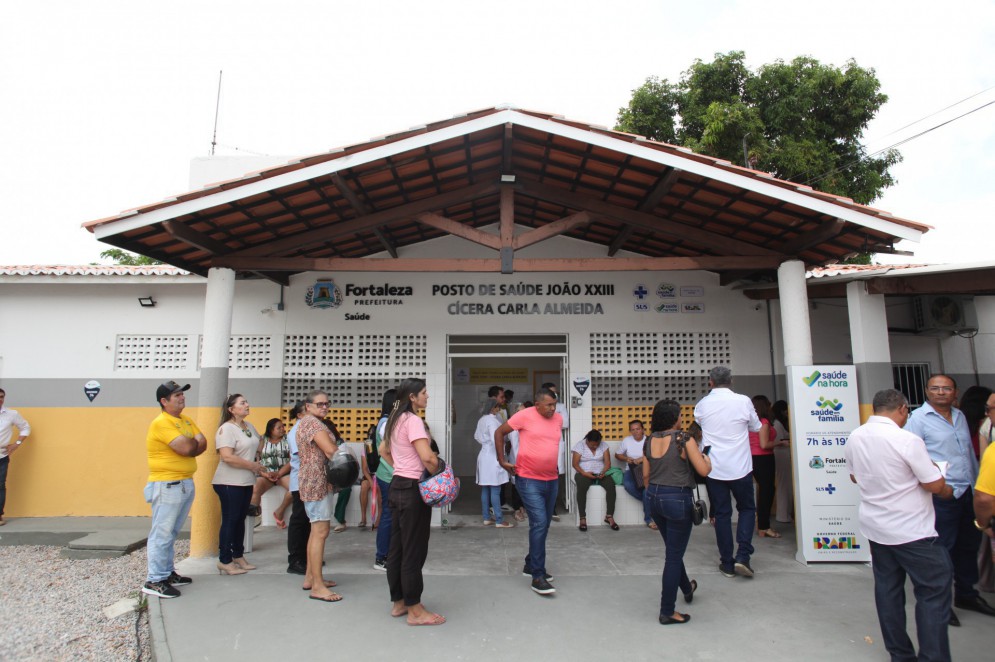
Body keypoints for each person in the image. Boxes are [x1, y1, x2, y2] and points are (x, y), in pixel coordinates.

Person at [846, 389, 955, 661]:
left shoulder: (855, 437)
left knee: (888, 591)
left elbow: (854, 478)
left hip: (877, 528)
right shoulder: (907, 440)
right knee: (932, 593)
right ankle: (933, 657)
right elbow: (934, 484)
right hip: (912, 531)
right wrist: (943, 485)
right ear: (903, 409)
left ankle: (900, 654)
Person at [905, 374, 995, 624]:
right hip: (942, 494)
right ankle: (941, 602)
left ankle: (967, 594)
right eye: (935, 388)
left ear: (956, 392)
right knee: (942, 549)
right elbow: (911, 457)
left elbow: (967, 454)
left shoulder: (960, 417)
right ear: (926, 391)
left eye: (946, 388)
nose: (941, 392)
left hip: (968, 490)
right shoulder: (918, 420)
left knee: (969, 546)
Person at [644, 399, 712, 625]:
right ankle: (667, 611)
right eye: (680, 415)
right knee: (673, 556)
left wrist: (656, 493)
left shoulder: (649, 440)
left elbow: (645, 476)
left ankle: (686, 587)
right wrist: (707, 461)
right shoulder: (684, 439)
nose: (682, 418)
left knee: (673, 550)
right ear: (674, 418)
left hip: (654, 497)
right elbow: (702, 470)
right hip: (677, 499)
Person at [384, 378, 445, 625]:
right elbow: (428, 458)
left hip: (397, 485)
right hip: (413, 491)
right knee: (414, 550)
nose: (427, 396)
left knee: (397, 549)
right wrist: (442, 472)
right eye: (423, 392)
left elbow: (383, 452)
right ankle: (415, 611)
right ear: (412, 397)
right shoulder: (413, 421)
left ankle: (399, 602)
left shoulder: (394, 420)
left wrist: (401, 467)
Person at [693, 366, 761, 578]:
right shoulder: (743, 401)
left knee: (722, 514)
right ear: (731, 381)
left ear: (710, 382)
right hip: (741, 467)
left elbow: (699, 424)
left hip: (714, 468)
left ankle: (727, 562)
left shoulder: (702, 404)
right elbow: (756, 427)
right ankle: (743, 556)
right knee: (747, 509)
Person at [142, 381, 207, 599]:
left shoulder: (185, 420)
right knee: (162, 532)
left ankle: (168, 573)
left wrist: (191, 445)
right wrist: (191, 444)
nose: (182, 398)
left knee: (171, 532)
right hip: (167, 484)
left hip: (184, 482)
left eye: (182, 394)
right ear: (164, 401)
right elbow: (190, 446)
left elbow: (203, 443)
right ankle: (155, 579)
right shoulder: (161, 423)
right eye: (177, 395)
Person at [495, 388, 563, 595]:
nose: (553, 409)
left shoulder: (558, 419)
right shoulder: (524, 415)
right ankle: (537, 576)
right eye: (549, 404)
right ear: (537, 404)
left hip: (551, 479)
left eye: (554, 404)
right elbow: (500, 433)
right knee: (540, 522)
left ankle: (529, 563)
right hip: (528, 479)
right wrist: (502, 460)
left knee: (545, 524)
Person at [211, 394, 265, 575]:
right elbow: (227, 457)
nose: (247, 405)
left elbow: (259, 441)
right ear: (231, 409)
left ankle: (238, 555)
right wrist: (253, 465)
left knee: (240, 519)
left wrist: (257, 457)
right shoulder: (226, 429)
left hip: (245, 481)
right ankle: (224, 560)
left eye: (247, 402)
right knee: (230, 519)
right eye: (242, 403)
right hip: (229, 482)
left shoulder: (248, 426)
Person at [296, 390, 341, 601]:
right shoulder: (313, 424)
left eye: (327, 404)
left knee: (316, 531)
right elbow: (331, 450)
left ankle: (311, 578)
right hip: (317, 481)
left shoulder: (308, 423)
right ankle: (318, 587)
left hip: (314, 479)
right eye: (320, 404)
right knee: (320, 531)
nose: (325, 407)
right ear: (308, 406)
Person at [475, 398, 513, 527]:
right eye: (497, 407)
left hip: (484, 455)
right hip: (493, 457)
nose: (499, 409)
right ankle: (499, 520)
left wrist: (486, 444)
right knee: (495, 489)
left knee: (485, 489)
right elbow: (496, 438)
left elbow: (477, 437)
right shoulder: (492, 420)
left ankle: (486, 517)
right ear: (492, 408)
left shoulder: (482, 420)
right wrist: (501, 457)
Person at [249, 418, 292, 529]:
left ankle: (279, 511)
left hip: (284, 473)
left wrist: (279, 473)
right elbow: (256, 460)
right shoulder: (262, 440)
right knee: (255, 488)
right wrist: (265, 474)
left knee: (295, 489)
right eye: (279, 427)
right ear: (271, 430)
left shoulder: (289, 439)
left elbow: (294, 460)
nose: (283, 429)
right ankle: (254, 518)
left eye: (283, 426)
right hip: (265, 474)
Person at [572, 429, 618, 531]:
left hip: (600, 473)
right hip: (583, 473)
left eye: (597, 444)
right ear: (587, 440)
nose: (595, 447)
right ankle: (582, 518)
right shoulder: (580, 445)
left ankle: (609, 516)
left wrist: (603, 472)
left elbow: (607, 463)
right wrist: (585, 473)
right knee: (582, 487)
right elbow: (575, 464)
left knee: (611, 485)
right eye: (592, 445)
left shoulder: (604, 445)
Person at [373, 389, 398, 571]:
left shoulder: (388, 421)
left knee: (391, 516)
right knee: (388, 516)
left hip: (389, 474)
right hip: (389, 475)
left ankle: (389, 553)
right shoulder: (386, 423)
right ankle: (381, 557)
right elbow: (386, 450)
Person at [285, 402, 311, 575]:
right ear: (300, 415)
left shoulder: (308, 429)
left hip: (308, 481)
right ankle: (295, 560)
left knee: (308, 522)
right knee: (299, 521)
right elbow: (302, 456)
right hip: (300, 481)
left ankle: (307, 556)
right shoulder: (296, 432)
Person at [750, 395, 779, 539]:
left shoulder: (751, 422)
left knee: (764, 490)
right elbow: (764, 444)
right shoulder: (764, 422)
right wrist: (780, 443)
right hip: (763, 457)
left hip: (752, 457)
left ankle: (761, 523)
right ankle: (764, 526)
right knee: (767, 491)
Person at [0, 387, 31, 527]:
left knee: (0, 485)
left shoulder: (11, 414)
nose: (0, 399)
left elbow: (25, 427)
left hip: (1, 456)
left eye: (1, 396)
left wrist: (17, 443)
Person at [616, 419, 655, 529]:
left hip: (648, 469)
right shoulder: (627, 440)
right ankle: (650, 502)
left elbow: (656, 456)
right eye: (632, 430)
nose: (635, 432)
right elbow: (617, 455)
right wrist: (626, 458)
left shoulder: (650, 440)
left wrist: (642, 459)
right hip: (631, 469)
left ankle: (648, 519)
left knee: (646, 490)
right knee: (627, 485)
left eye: (638, 429)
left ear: (643, 429)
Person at [542, 382, 569, 522]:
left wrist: (549, 419)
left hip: (557, 445)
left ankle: (552, 508)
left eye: (556, 392)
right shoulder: (539, 407)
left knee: (555, 478)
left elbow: (565, 423)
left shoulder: (561, 406)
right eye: (552, 392)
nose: (555, 395)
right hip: (542, 446)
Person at [770, 400, 794, 525]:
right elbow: (779, 440)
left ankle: (785, 513)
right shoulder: (777, 424)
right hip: (781, 454)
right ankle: (783, 514)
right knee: (783, 485)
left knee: (785, 485)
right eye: (785, 410)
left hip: (783, 454)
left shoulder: (779, 423)